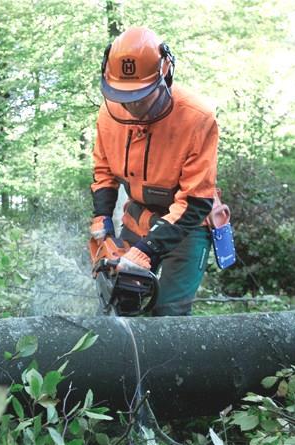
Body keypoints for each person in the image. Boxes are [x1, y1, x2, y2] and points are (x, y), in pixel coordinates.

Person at [89, 26, 219, 316]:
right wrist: (101, 216)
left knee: (168, 313)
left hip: (187, 225)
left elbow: (196, 201)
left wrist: (146, 252)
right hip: (139, 216)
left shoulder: (197, 118)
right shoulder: (109, 112)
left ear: (165, 76)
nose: (132, 105)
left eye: (141, 95)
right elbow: (104, 169)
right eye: (124, 95)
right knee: (121, 300)